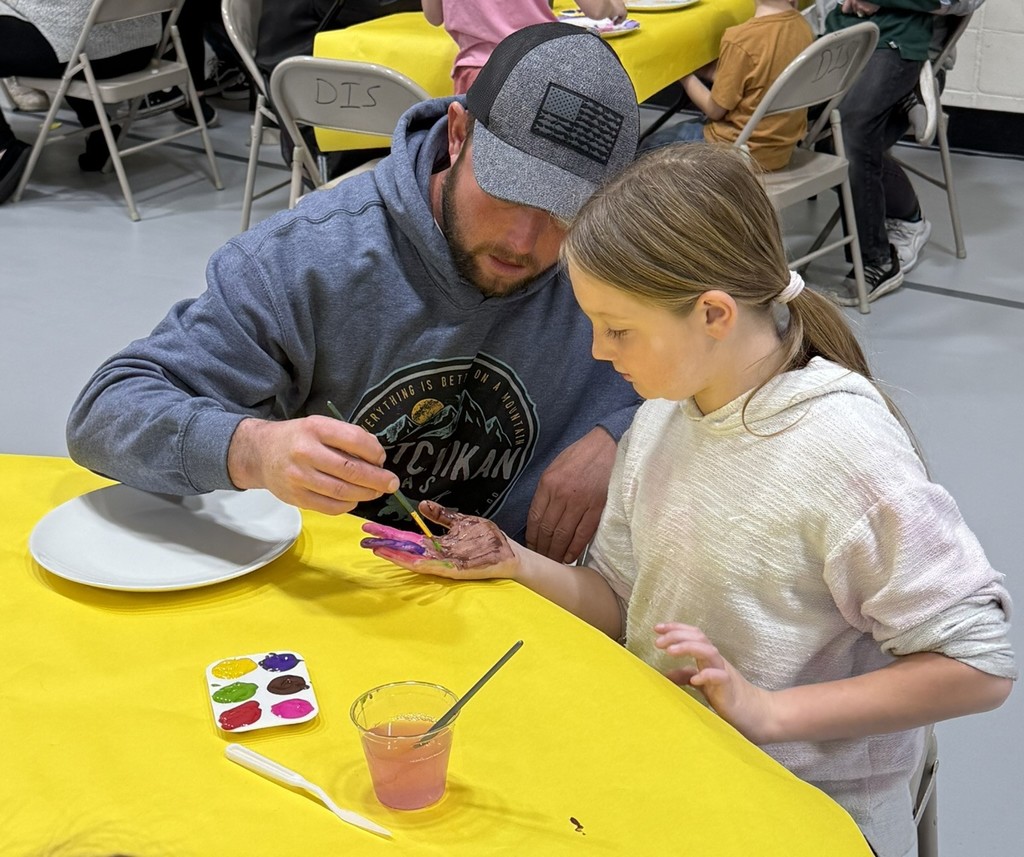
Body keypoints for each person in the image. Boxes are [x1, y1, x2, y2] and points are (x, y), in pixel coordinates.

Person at [361, 144, 1016, 857]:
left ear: (713, 314)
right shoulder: (664, 416)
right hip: (683, 768)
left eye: (618, 329)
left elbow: (979, 664)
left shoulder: (844, 450)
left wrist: (768, 711)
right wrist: (513, 560)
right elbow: (621, 597)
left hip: (811, 812)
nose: (599, 354)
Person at [66, 22, 642, 563]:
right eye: (505, 192)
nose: (524, 241)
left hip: (533, 593)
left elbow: (728, 360)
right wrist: (255, 450)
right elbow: (106, 414)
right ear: (459, 136)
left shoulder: (614, 253)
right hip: (337, 588)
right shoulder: (306, 257)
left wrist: (625, 433)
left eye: (565, 213)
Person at [824, 0, 942, 304]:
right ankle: (904, 99)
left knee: (851, 136)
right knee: (804, 126)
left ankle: (878, 261)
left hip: (894, 43)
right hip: (842, 35)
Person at [0, 0, 160, 203]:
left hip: (83, 46)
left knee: (61, 28)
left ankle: (3, 151)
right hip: (141, 45)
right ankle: (99, 129)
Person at [640, 0, 813, 172]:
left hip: (740, 150)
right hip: (781, 150)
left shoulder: (741, 39)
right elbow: (750, 77)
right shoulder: (803, 27)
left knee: (647, 147)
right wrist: (699, 69)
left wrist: (683, 75)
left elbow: (714, 110)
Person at [422, 0, 627, 94]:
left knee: (477, 162)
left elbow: (433, 16)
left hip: (475, 73)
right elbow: (597, 8)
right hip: (538, 67)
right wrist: (614, 4)